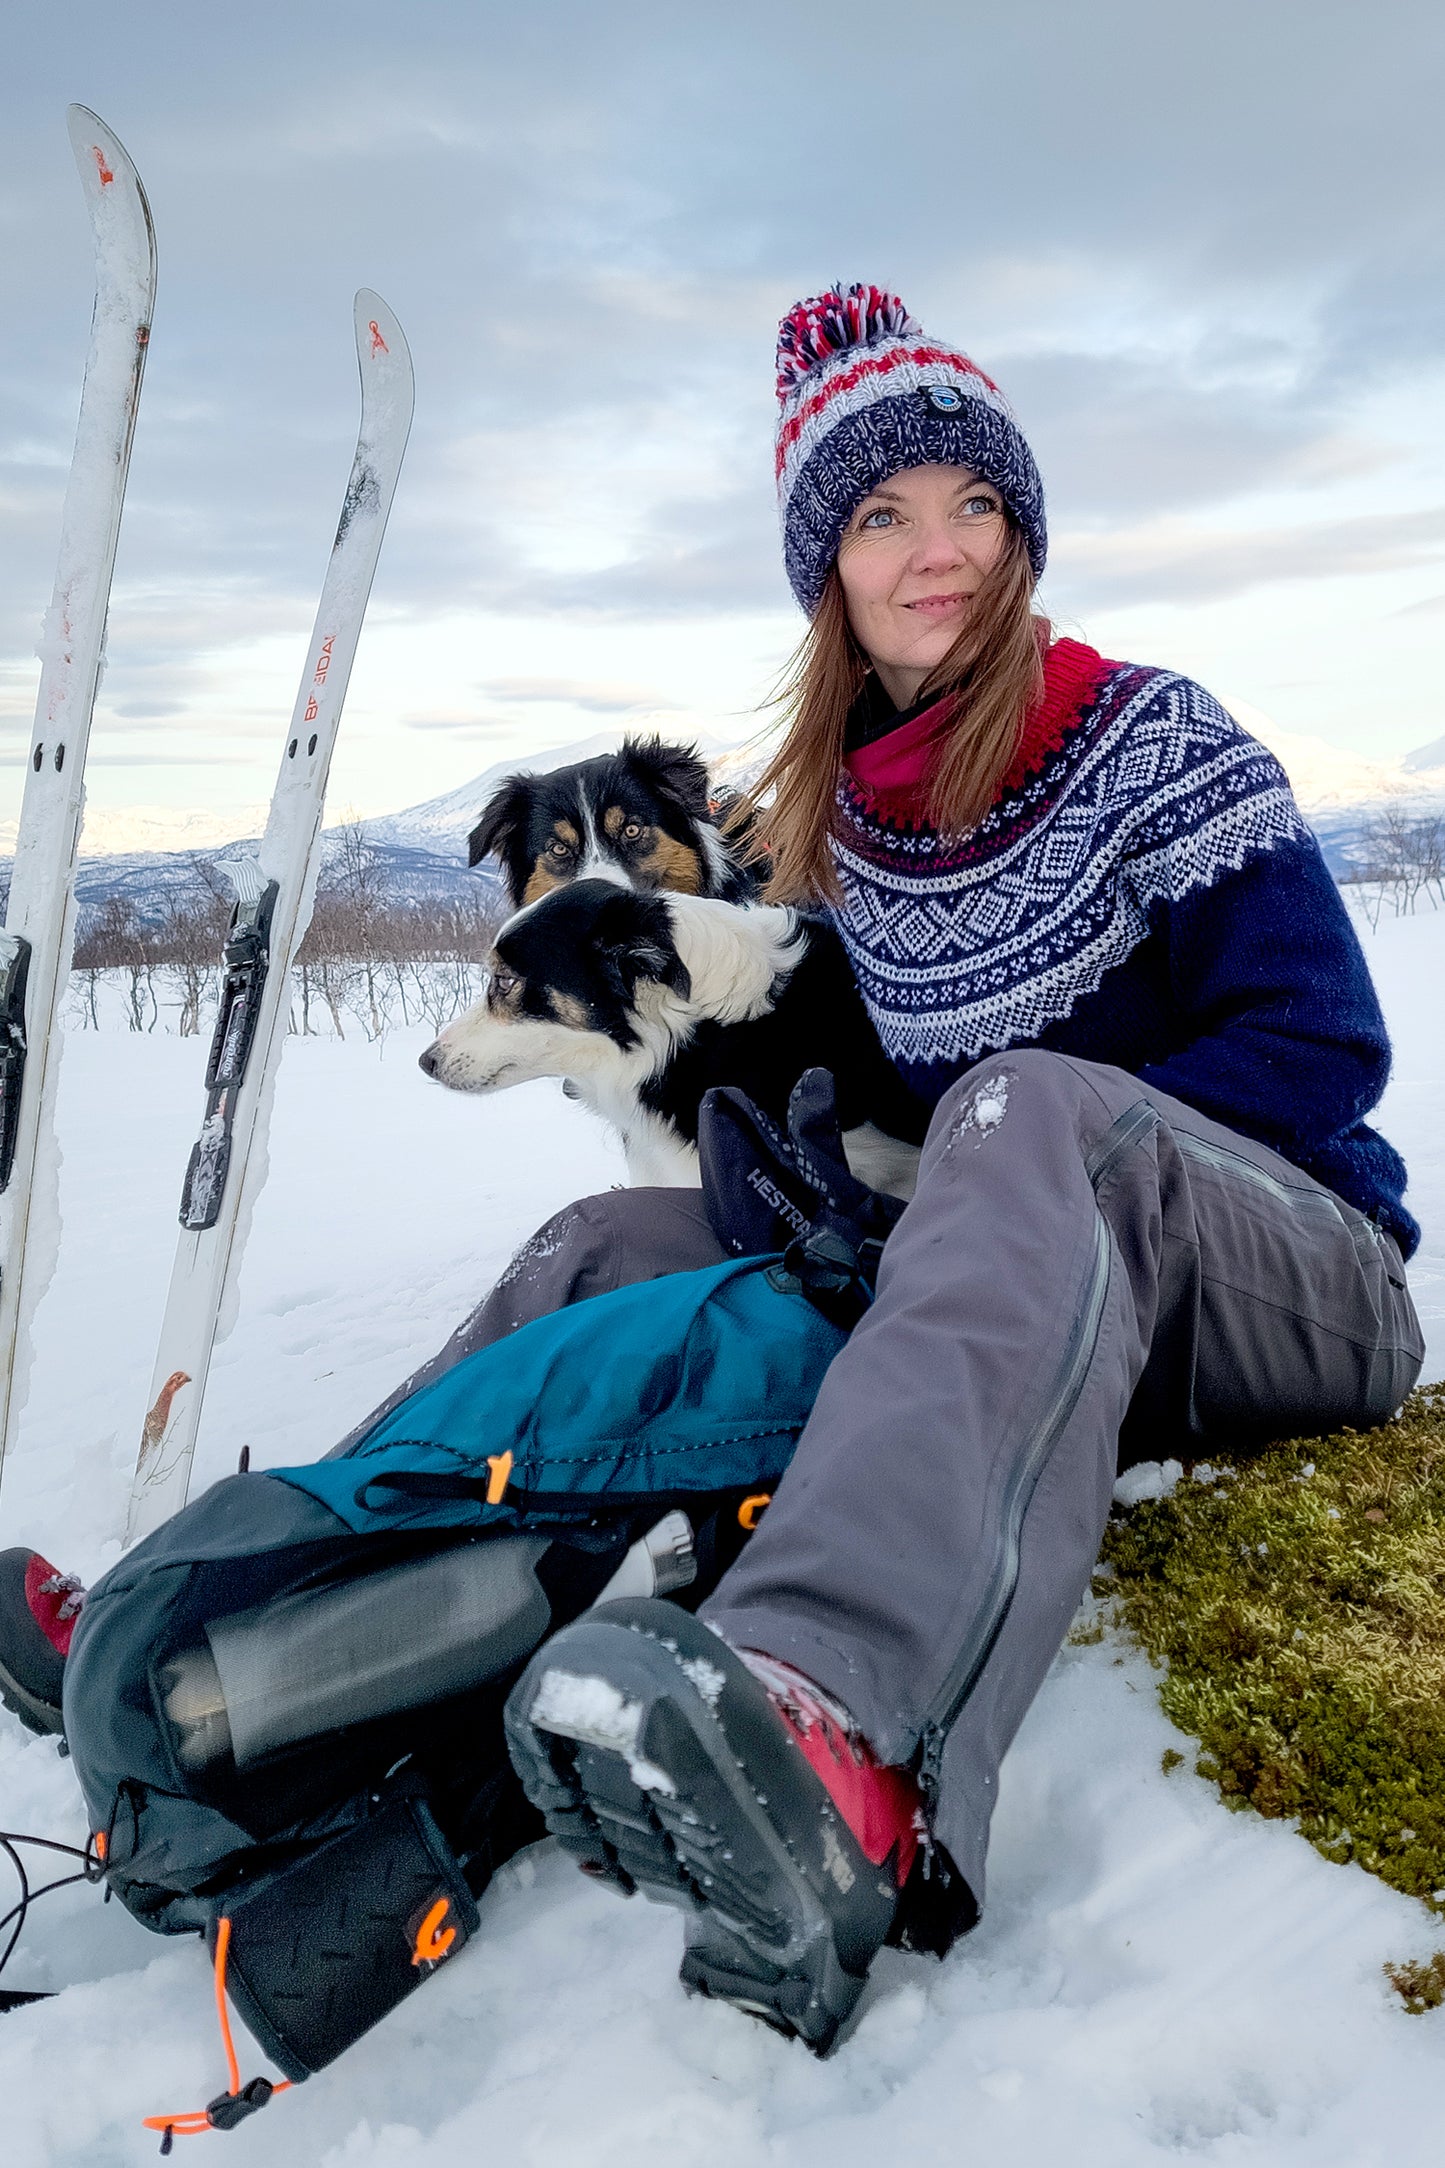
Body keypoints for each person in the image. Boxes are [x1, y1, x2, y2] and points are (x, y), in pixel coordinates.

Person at [0, 283, 1424, 2055]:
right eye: (884, 515)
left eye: (974, 505)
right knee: (611, 1231)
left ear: (1024, 530)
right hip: (1049, 1298)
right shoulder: (862, 826)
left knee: (1021, 1110)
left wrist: (1008, 1153)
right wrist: (834, 1179)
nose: (939, 553)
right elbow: (875, 1107)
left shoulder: (1150, 739)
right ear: (823, 567)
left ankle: (836, 1727)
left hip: (1295, 1280)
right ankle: (258, 1584)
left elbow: (1318, 1053)